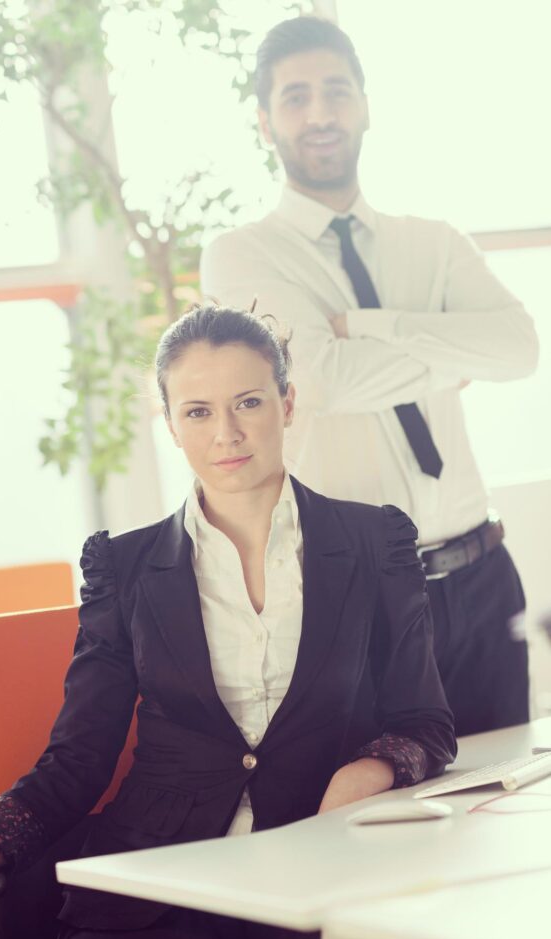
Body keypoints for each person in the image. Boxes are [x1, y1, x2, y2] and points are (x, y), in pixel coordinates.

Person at [0, 305, 455, 939]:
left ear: (286, 402)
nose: (226, 433)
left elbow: (424, 721)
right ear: (170, 425)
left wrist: (358, 777)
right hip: (149, 902)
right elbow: (77, 760)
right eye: (197, 411)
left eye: (248, 402)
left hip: (312, 883)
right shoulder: (124, 567)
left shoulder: (374, 540)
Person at [200, 16, 539, 739]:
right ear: (264, 122)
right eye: (295, 98)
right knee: (382, 821)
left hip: (482, 573)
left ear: (364, 105)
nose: (318, 114)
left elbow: (516, 350)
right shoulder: (242, 256)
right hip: (362, 592)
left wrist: (382, 327)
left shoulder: (434, 241)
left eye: (335, 92)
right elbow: (320, 381)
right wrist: (451, 356)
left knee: (507, 806)